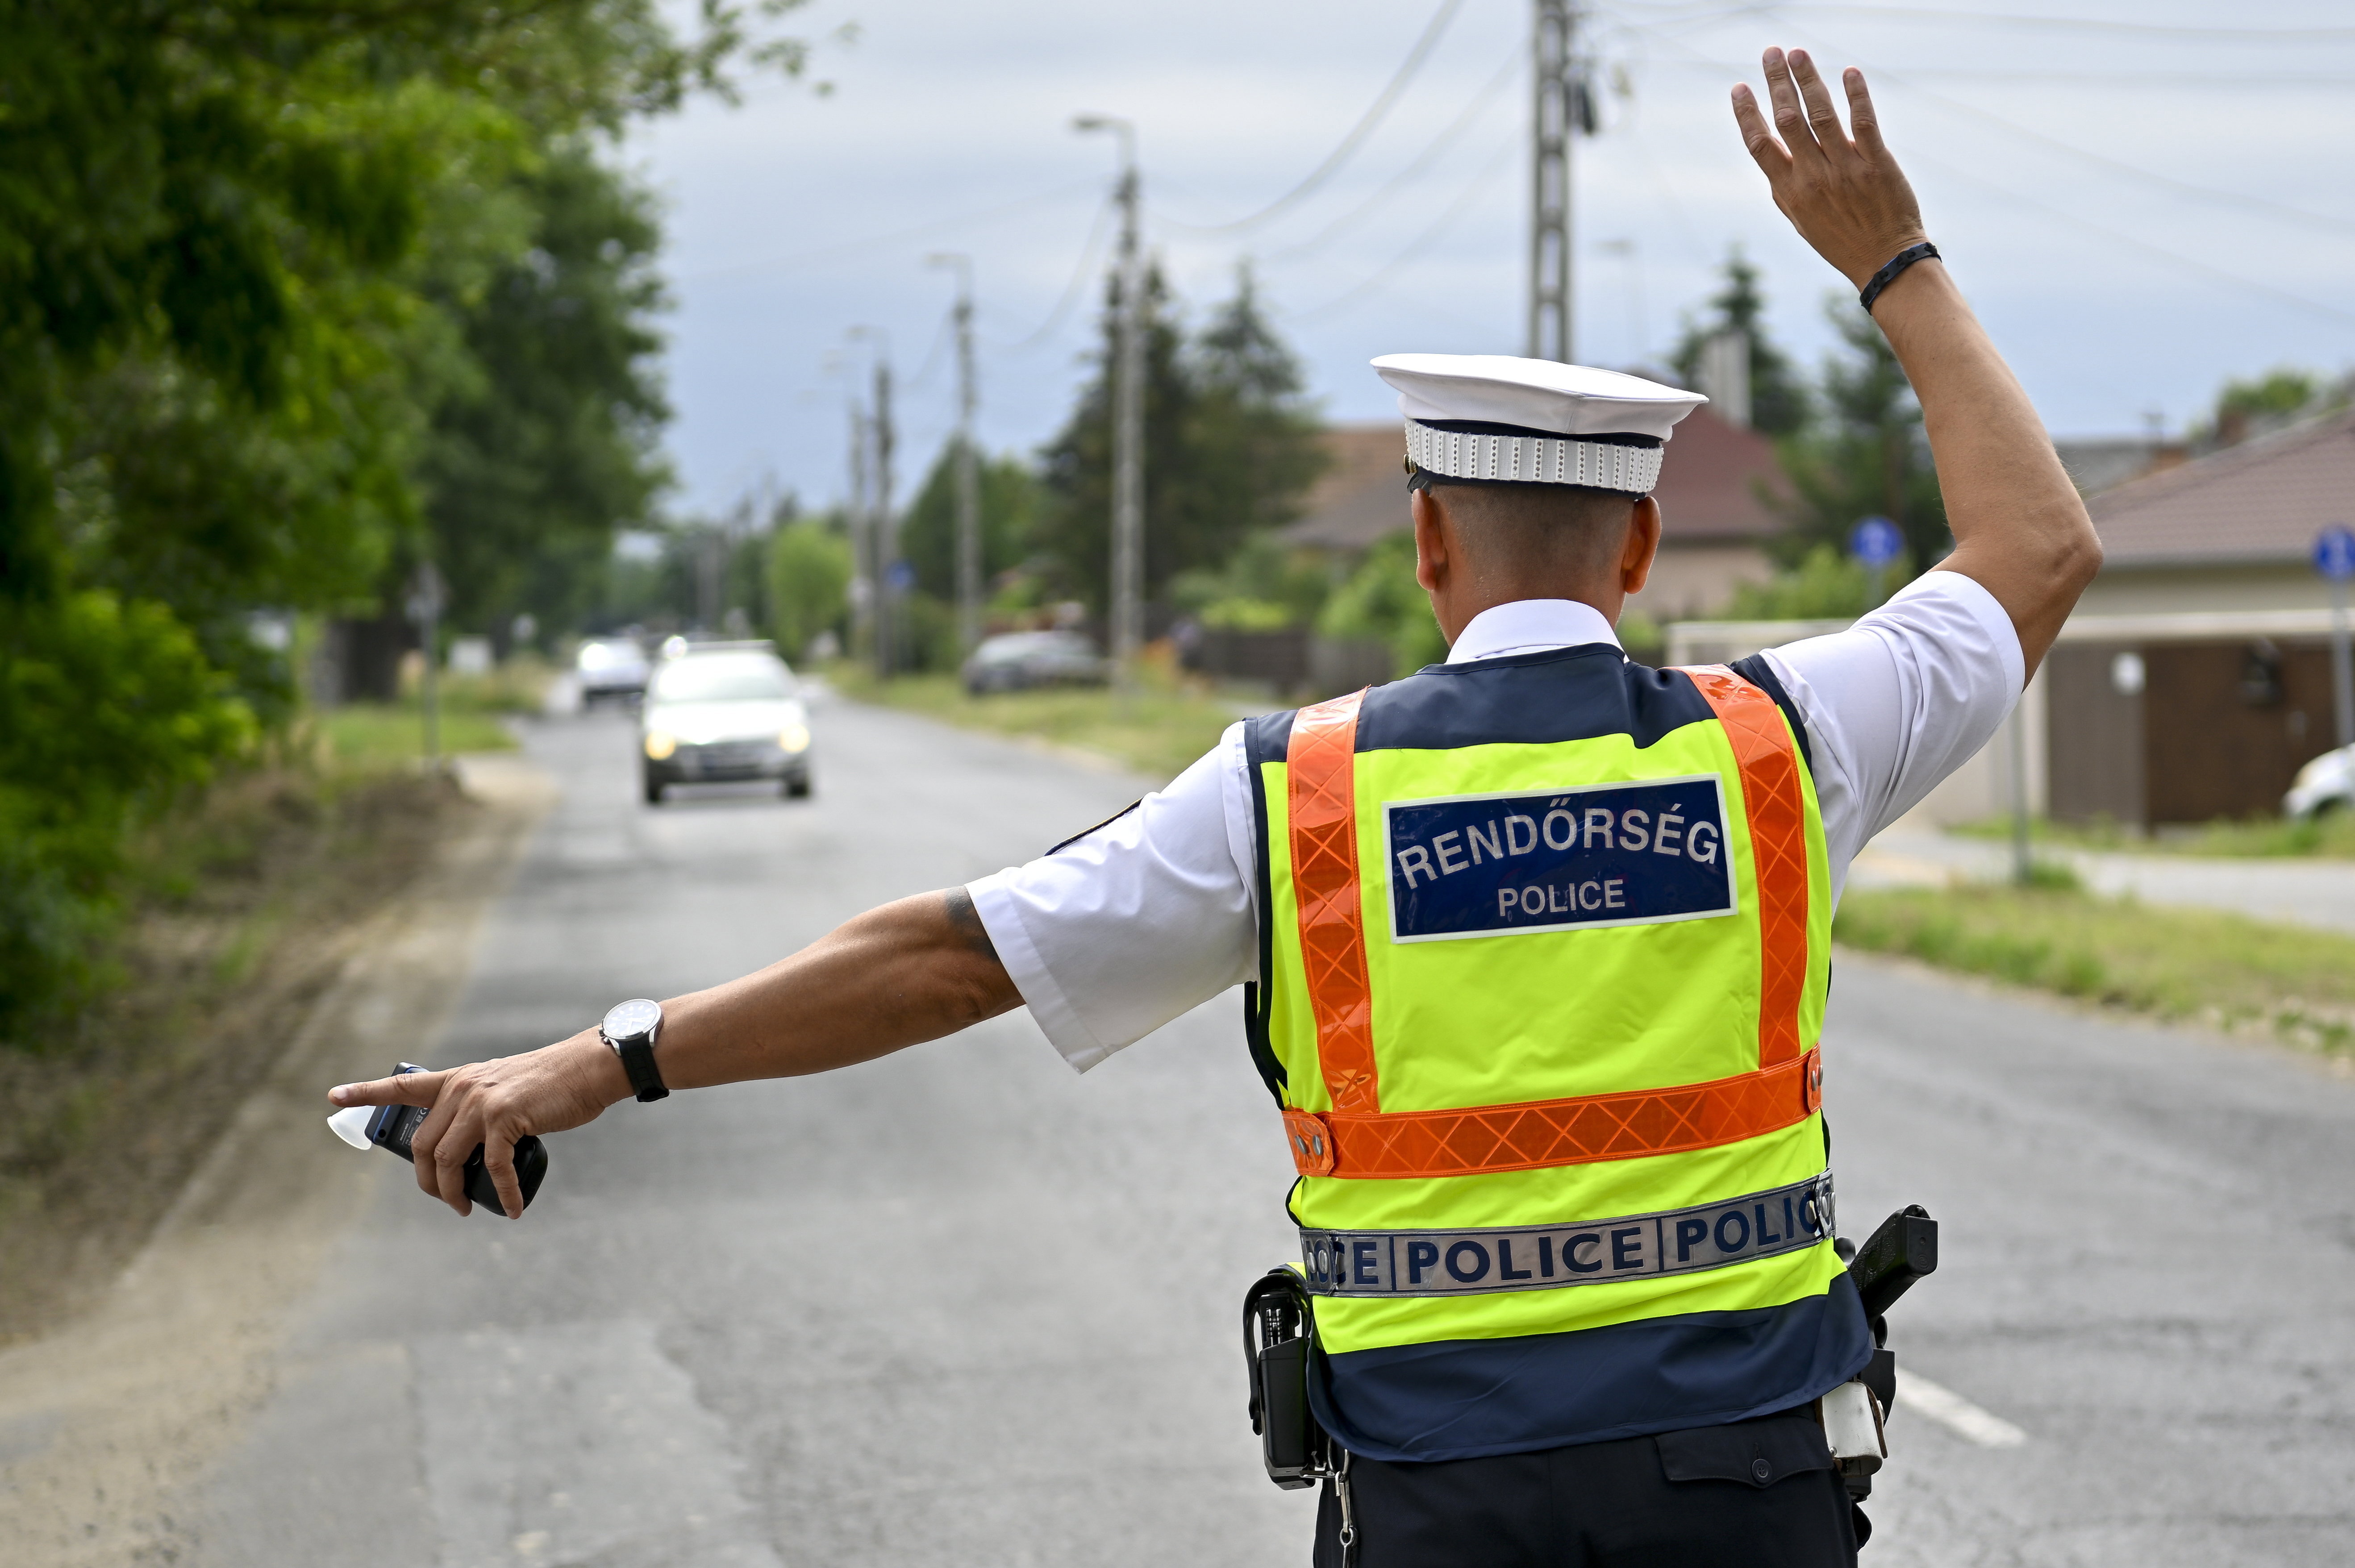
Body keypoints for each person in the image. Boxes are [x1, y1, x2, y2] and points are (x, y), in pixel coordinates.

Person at [330, 49, 2099, 1566]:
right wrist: (1892, 260)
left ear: (1424, 542)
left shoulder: (1293, 796)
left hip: (1446, 1496)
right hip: (1748, 1488)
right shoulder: (1784, 742)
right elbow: (2036, 546)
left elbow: (946, 961)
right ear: (1638, 546)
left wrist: (604, 1059)